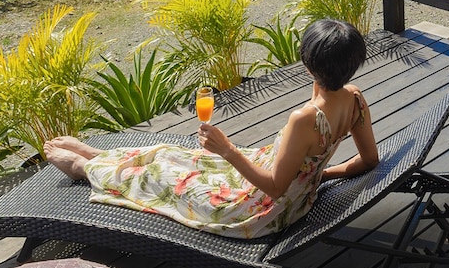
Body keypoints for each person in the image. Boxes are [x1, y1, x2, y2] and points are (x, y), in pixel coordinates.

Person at [44, 19, 379, 238]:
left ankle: (85, 168)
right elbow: (369, 161)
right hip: (293, 192)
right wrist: (318, 175)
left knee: (162, 176)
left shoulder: (304, 119)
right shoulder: (355, 99)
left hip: (261, 210)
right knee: (174, 153)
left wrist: (228, 150)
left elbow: (275, 189)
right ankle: (102, 156)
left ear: (307, 65)